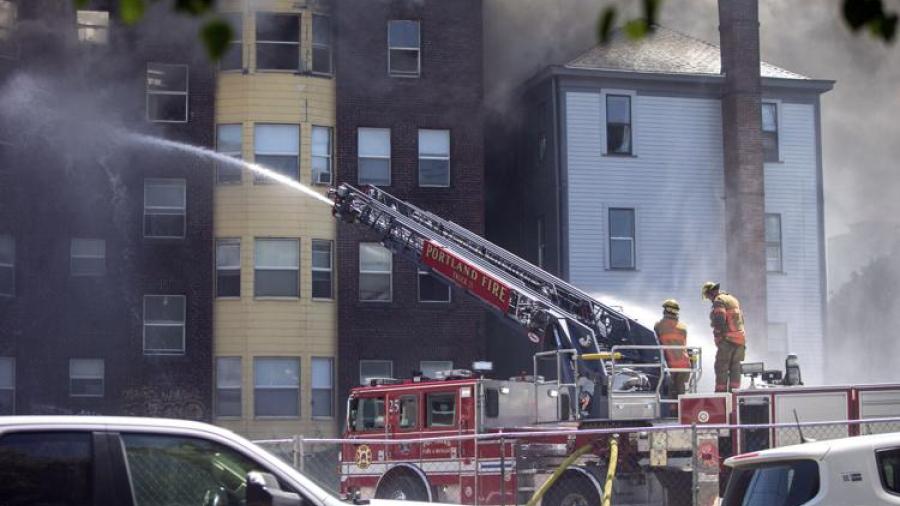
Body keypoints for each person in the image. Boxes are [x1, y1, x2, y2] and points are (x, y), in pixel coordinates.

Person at [701, 281, 746, 392]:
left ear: (711, 292)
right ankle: (734, 392)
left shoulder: (719, 301)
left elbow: (719, 320)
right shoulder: (732, 299)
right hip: (740, 340)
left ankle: (720, 394)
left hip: (727, 340)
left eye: (707, 296)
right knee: (735, 367)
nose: (709, 299)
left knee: (721, 367)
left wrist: (718, 336)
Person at [654, 299, 691, 397]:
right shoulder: (683, 327)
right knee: (682, 395)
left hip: (670, 366)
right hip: (684, 365)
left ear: (666, 310)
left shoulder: (659, 325)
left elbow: (657, 343)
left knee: (671, 394)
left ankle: (672, 412)